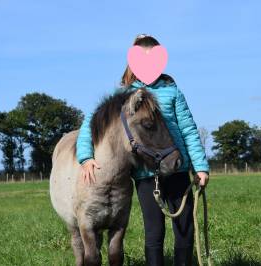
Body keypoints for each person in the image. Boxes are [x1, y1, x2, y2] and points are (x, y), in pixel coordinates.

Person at [75, 34, 210, 266]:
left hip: (178, 168)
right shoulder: (125, 96)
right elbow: (90, 124)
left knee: (185, 230)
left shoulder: (173, 92)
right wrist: (86, 157)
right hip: (147, 175)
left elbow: (188, 129)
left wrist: (200, 166)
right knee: (154, 233)